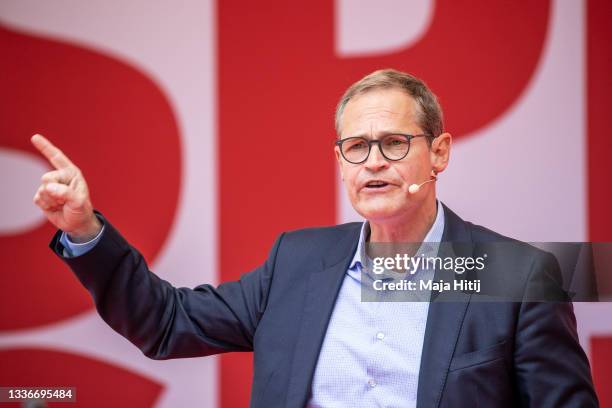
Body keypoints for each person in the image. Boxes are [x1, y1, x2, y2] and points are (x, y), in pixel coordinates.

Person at [32, 69, 598, 407]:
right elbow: (166, 323)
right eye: (356, 147)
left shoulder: (512, 274)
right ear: (340, 161)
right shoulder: (298, 263)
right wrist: (84, 230)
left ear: (440, 152)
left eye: (395, 143)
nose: (373, 163)